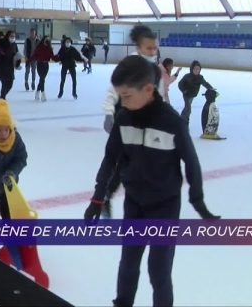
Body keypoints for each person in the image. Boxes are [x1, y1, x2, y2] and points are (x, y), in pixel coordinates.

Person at [84, 55, 219, 307]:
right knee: (128, 264)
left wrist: (198, 202)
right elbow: (110, 159)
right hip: (134, 203)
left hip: (165, 206)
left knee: (158, 270)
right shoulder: (123, 119)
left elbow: (191, 162)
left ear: (147, 90)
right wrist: (98, 196)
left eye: (126, 96)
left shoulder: (171, 122)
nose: (121, 102)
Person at [103, 25, 159, 133]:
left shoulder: (154, 67)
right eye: (148, 48)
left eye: (154, 48)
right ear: (138, 46)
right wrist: (109, 113)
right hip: (126, 118)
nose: (152, 52)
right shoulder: (129, 64)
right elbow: (113, 90)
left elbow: (158, 93)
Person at [177, 60, 213, 125]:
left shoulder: (200, 78)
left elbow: (205, 83)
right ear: (192, 69)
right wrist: (184, 90)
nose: (197, 70)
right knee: (188, 108)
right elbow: (180, 84)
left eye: (198, 69)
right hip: (186, 94)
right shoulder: (187, 76)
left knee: (187, 107)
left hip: (192, 95)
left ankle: (181, 119)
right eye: (195, 69)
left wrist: (211, 88)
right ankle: (184, 121)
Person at [29, 36, 54, 102]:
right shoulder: (39, 47)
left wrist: (60, 58)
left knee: (42, 79)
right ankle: (43, 93)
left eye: (48, 40)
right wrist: (29, 61)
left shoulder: (49, 48)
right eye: (46, 39)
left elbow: (53, 57)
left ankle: (37, 92)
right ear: (43, 40)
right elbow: (34, 55)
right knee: (42, 79)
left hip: (46, 65)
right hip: (40, 64)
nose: (47, 41)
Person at [0, 31, 18, 100]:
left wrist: (17, 62)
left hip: (10, 67)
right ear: (7, 36)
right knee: (4, 84)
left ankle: (2, 97)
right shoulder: (2, 44)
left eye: (14, 36)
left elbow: (16, 54)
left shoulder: (14, 44)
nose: (12, 38)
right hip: (2, 67)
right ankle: (2, 98)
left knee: (10, 84)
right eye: (11, 36)